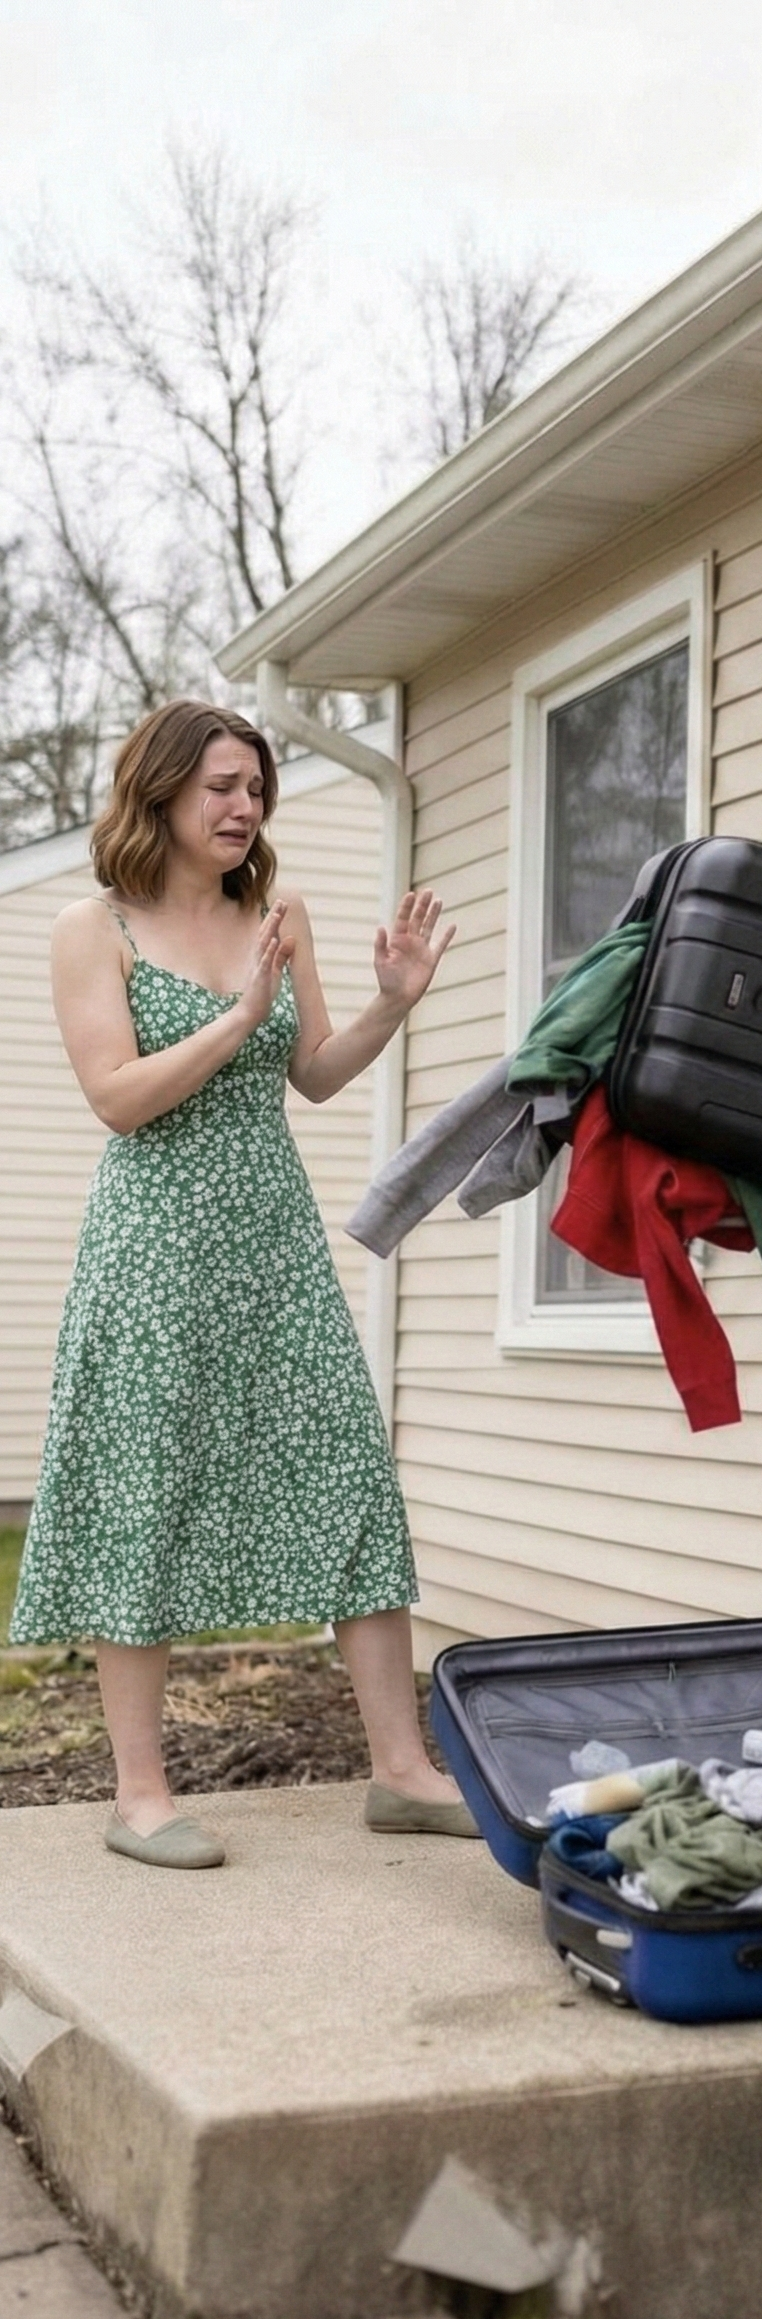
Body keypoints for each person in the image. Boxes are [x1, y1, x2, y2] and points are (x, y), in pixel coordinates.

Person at [10, 699, 482, 1863]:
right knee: (147, 1487)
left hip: (273, 1241)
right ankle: (139, 1793)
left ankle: (401, 1768)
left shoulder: (278, 914)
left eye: (257, 787)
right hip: (155, 1248)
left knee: (349, 1466)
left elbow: (313, 1070)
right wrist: (237, 1020)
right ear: (162, 789)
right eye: (221, 784)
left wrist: (390, 1003)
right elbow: (117, 1097)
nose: (245, 805)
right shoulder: (93, 925)